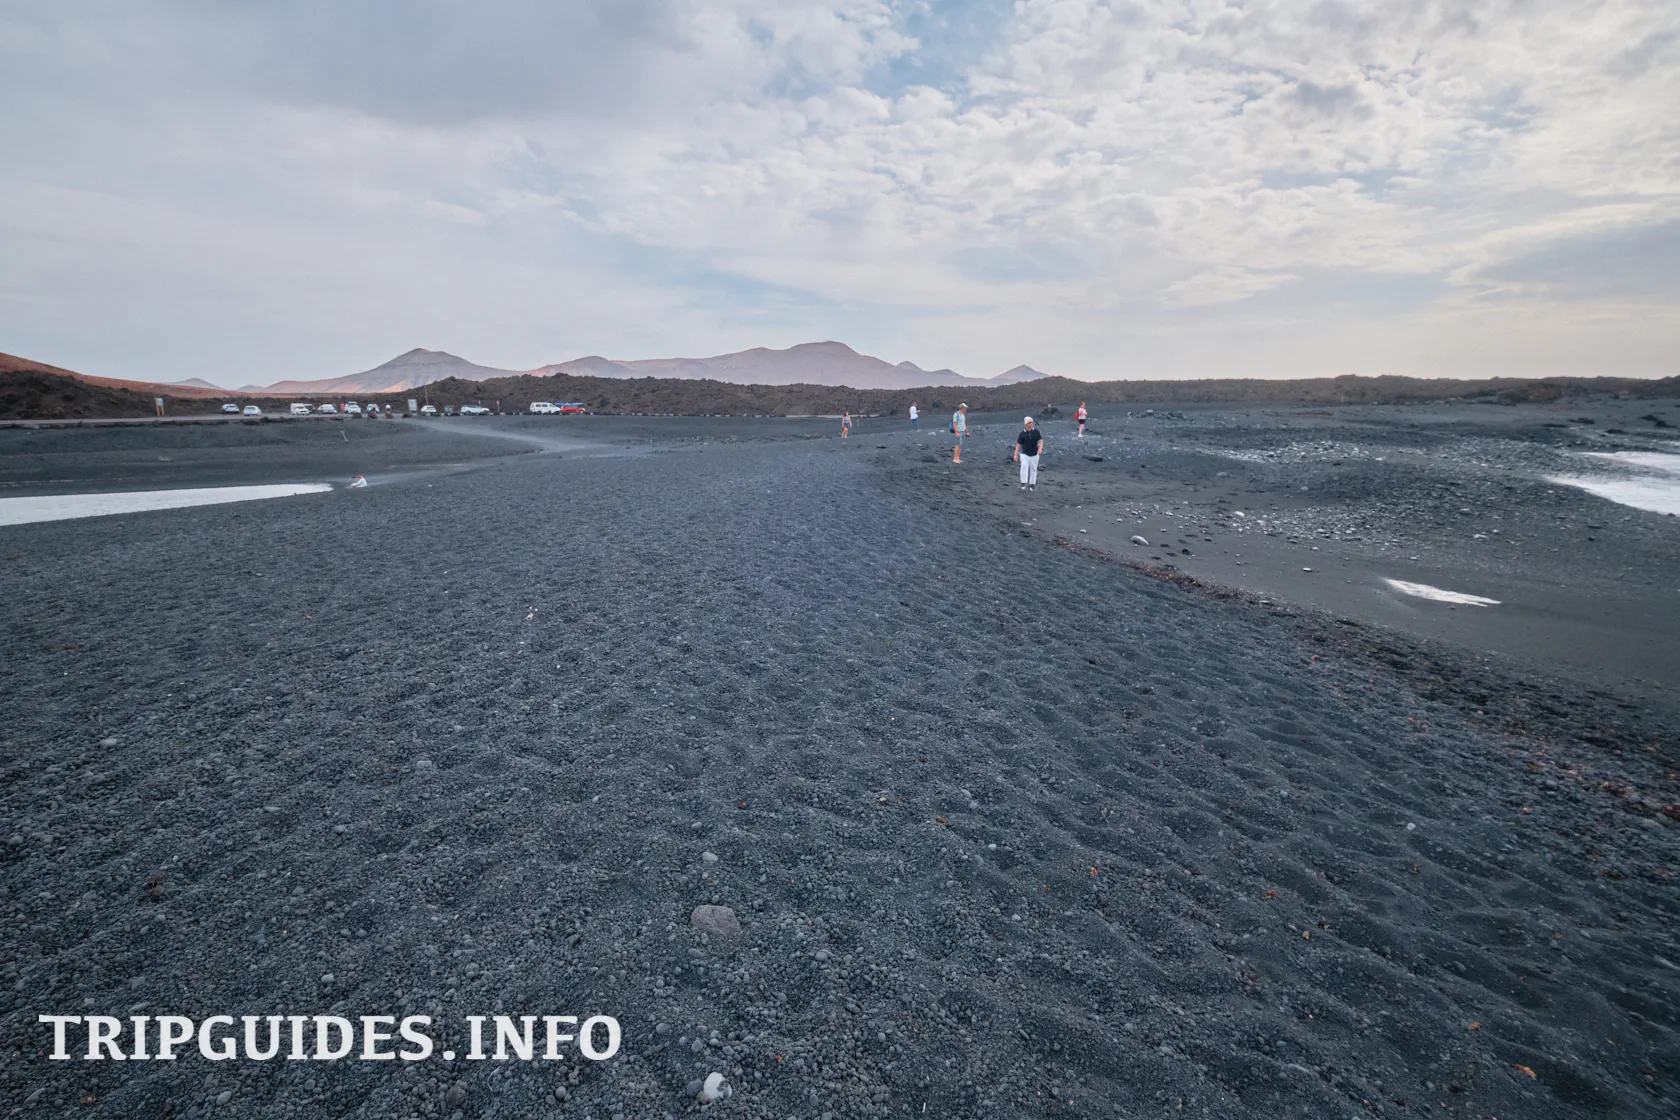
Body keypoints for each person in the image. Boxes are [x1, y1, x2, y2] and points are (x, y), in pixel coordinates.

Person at [1014, 416, 1043, 490]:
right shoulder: (1022, 434)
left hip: (1035, 454)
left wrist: (1040, 448)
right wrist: (1016, 454)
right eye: (1029, 422)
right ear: (1026, 424)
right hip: (1024, 454)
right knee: (1024, 467)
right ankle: (1023, 484)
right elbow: (1018, 445)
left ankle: (1032, 485)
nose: (1031, 423)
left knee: (1034, 469)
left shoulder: (1036, 431)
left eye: (1031, 422)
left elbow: (1040, 441)